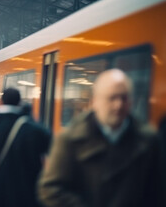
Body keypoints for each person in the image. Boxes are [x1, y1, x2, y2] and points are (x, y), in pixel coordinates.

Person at [38, 69, 165, 207]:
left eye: (124, 98)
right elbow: (50, 189)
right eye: (112, 98)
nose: (119, 105)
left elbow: (157, 192)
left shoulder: (149, 139)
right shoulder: (69, 139)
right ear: (95, 102)